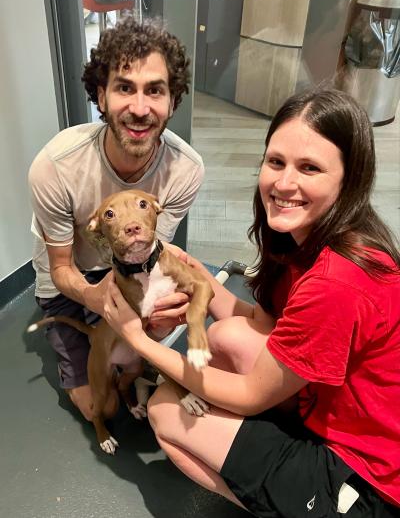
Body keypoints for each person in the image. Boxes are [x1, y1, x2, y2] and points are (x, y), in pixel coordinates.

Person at [103, 88, 400, 517]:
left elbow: (249, 395)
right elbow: (263, 321)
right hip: (327, 405)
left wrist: (138, 340)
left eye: (310, 168)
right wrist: (202, 281)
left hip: (370, 478)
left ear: (349, 179)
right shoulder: (298, 243)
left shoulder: (338, 281)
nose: (283, 184)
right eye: (276, 162)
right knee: (227, 334)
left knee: (164, 411)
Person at [28, 17, 204, 422]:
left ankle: (140, 372)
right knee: (97, 409)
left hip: (125, 272)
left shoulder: (186, 170)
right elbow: (59, 267)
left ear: (173, 102)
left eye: (155, 91)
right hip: (68, 281)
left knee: (155, 328)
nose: (140, 108)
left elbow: (150, 255)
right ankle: (80, 356)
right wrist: (93, 297)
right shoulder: (55, 166)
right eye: (125, 87)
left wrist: (166, 306)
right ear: (101, 97)